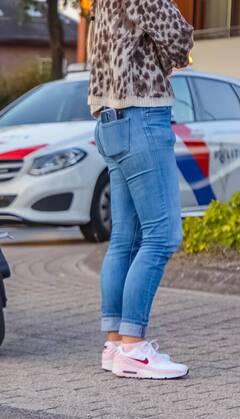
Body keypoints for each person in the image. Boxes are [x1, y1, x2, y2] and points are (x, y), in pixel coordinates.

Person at [88, 0, 194, 379]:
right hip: (142, 115)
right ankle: (134, 347)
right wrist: (170, 60)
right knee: (162, 236)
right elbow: (180, 35)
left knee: (124, 239)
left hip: (110, 119)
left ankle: (116, 343)